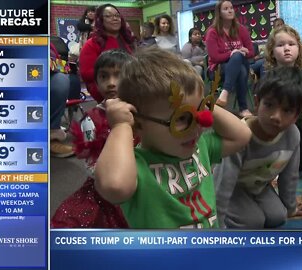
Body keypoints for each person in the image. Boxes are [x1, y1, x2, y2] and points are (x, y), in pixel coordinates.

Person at [94, 47, 252, 228]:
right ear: (138, 125)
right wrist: (121, 125)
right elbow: (115, 186)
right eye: (182, 118)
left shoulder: (200, 146)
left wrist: (204, 105)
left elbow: (242, 135)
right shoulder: (137, 166)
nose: (198, 125)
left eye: (200, 112)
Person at [213, 67, 302, 229]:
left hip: (258, 186)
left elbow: (290, 177)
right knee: (252, 221)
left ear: (296, 115)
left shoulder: (292, 135)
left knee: (278, 216)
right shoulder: (240, 136)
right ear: (257, 103)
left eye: (286, 110)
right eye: (269, 105)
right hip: (233, 187)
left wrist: (290, 208)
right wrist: (217, 226)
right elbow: (222, 184)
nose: (276, 116)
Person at [51, 49, 134, 228]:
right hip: (109, 188)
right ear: (96, 81)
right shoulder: (91, 119)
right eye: (104, 77)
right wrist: (114, 180)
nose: (111, 83)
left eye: (118, 76)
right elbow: (91, 164)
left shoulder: (140, 112)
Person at [206, 0, 254, 118]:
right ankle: (243, 108)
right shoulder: (212, 32)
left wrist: (240, 52)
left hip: (238, 64)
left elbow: (252, 52)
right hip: (218, 69)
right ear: (219, 13)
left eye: (231, 8)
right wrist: (233, 53)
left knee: (239, 59)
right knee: (241, 68)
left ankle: (224, 93)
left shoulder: (241, 29)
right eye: (226, 9)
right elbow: (215, 57)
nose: (230, 10)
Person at [79, 3, 135, 103]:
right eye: (109, 16)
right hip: (107, 89)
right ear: (101, 20)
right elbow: (86, 73)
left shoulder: (128, 41)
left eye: (117, 16)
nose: (115, 18)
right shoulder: (91, 44)